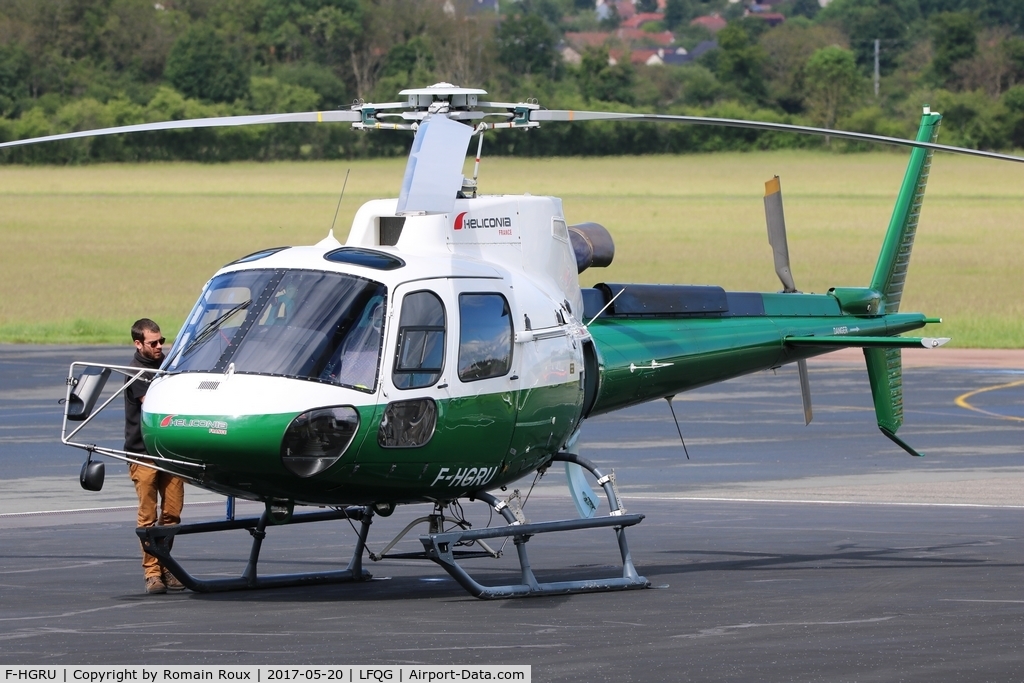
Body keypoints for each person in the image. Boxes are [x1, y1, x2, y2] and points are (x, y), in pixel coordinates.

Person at [124, 318, 186, 594]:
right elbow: (155, 408)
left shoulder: (168, 366)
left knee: (172, 514)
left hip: (169, 451)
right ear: (139, 344)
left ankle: (165, 565)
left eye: (162, 341)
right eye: (154, 343)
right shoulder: (136, 371)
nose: (160, 346)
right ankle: (152, 573)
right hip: (143, 453)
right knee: (148, 516)